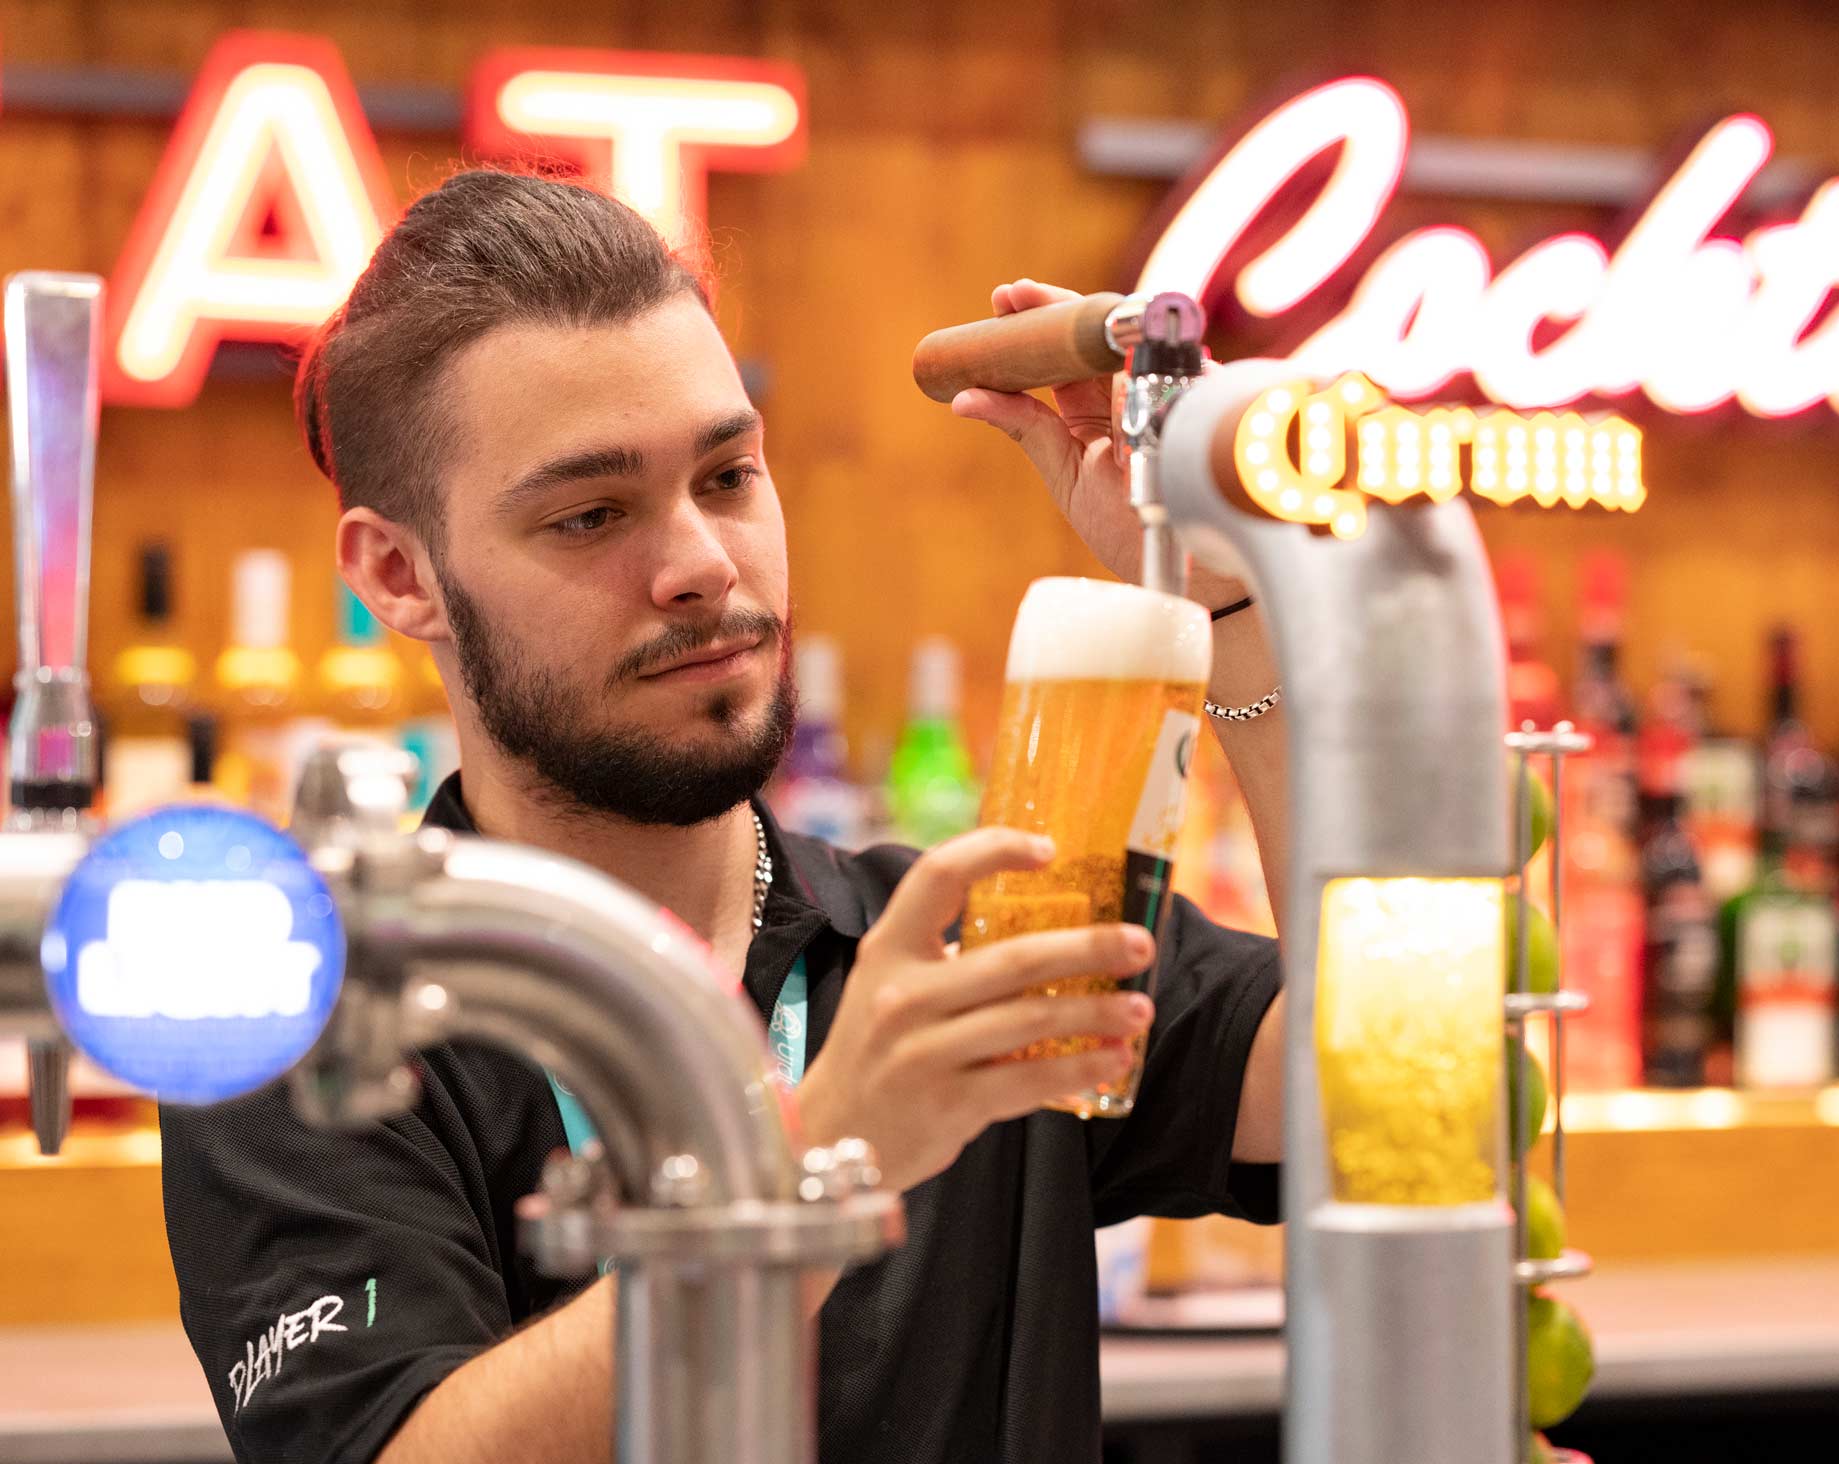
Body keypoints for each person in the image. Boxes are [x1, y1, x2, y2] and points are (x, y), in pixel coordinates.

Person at [158, 169, 1291, 1464]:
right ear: (400, 576)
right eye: (590, 513)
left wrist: (1238, 610)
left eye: (729, 473)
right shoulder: (307, 1018)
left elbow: (1410, 1084)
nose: (701, 561)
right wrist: (824, 1164)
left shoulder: (969, 951)